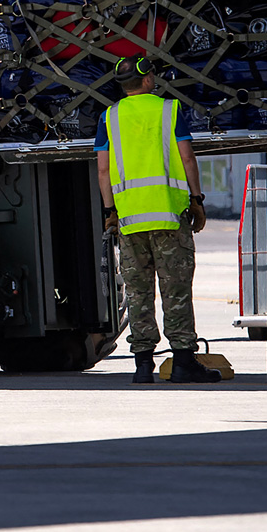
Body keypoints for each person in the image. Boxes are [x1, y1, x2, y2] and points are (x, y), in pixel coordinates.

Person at [95, 55, 218, 384]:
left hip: (130, 220)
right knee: (175, 289)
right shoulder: (169, 111)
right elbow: (187, 157)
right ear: (148, 80)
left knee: (138, 292)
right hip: (168, 216)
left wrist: (110, 212)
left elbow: (104, 169)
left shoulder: (109, 116)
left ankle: (143, 365)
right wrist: (196, 201)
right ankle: (182, 362)